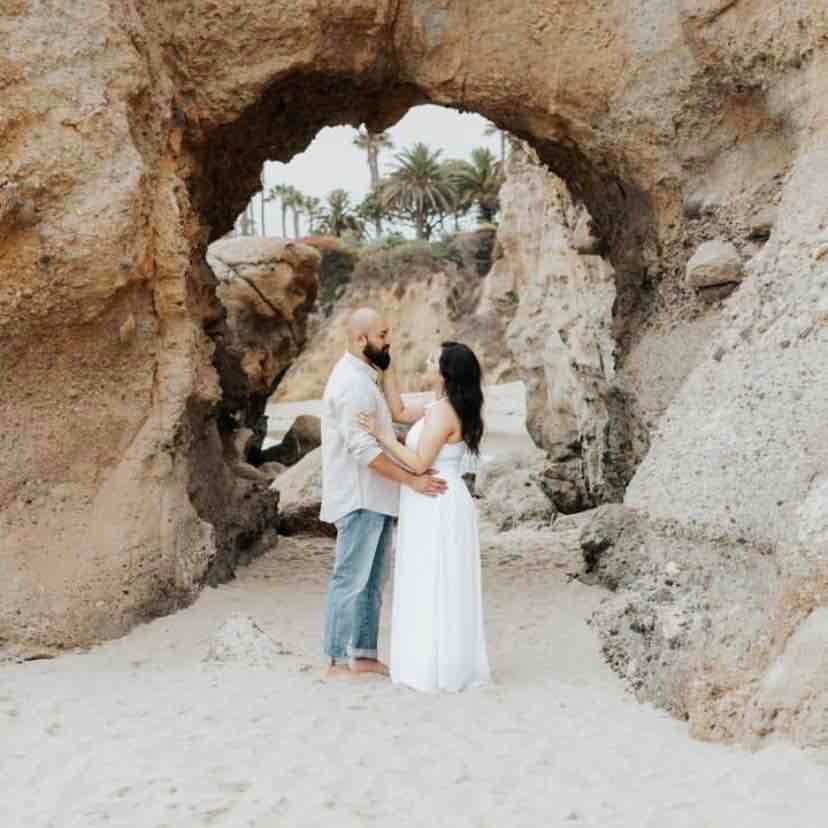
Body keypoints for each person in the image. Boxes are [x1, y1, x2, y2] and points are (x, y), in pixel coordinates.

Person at [320, 308, 447, 676]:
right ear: (361, 340)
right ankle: (337, 660)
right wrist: (412, 480)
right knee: (350, 579)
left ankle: (363, 654)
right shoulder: (352, 384)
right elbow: (365, 451)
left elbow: (393, 419)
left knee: (372, 582)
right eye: (382, 335)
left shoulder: (366, 377)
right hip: (358, 497)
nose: (388, 340)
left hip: (376, 497)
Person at [359, 341, 491, 692]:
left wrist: (381, 437)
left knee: (434, 576)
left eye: (433, 359)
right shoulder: (439, 406)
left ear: (446, 372)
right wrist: (387, 371)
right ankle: (435, 659)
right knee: (430, 575)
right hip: (431, 497)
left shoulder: (444, 413)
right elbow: (399, 409)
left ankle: (434, 665)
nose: (427, 360)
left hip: (435, 497)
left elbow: (419, 463)